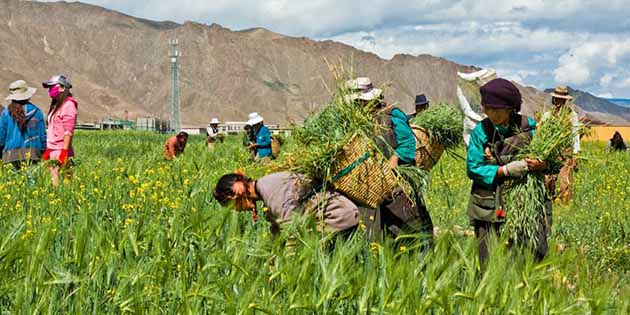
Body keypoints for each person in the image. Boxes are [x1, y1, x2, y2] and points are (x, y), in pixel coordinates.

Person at [466, 78, 551, 266]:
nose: (491, 114)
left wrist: (542, 164)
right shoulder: (481, 131)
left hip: (523, 203)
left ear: (510, 108)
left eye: (496, 109)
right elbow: (473, 168)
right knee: (488, 259)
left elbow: (552, 160)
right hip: (488, 204)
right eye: (487, 109)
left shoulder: (529, 128)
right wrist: (505, 170)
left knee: (528, 256)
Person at [347, 77, 433, 250]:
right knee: (372, 230)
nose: (358, 105)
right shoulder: (353, 120)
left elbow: (407, 143)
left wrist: (393, 161)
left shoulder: (391, 114)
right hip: (369, 185)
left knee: (407, 226)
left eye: (360, 102)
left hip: (396, 181)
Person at [213, 171, 359, 234]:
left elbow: (291, 232)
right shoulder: (266, 193)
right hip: (335, 218)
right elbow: (278, 232)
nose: (238, 210)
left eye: (233, 206)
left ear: (237, 193)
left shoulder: (271, 191)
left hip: (336, 217)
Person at [542, 86, 581, 205]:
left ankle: (565, 203)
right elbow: (542, 133)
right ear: (554, 100)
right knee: (549, 178)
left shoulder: (572, 115)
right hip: (551, 151)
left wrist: (576, 153)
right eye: (557, 100)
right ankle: (549, 199)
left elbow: (575, 134)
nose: (559, 103)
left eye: (562, 100)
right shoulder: (547, 116)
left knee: (565, 178)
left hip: (566, 152)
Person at [0, 80, 46, 168]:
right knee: (31, 181)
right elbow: (42, 135)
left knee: (15, 180)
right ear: (27, 95)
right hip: (33, 153)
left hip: (11, 154)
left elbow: (1, 136)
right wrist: (43, 150)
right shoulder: (37, 111)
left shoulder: (6, 113)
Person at [41, 75, 78, 185]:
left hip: (61, 150)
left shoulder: (69, 105)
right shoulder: (56, 105)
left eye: (52, 86)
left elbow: (68, 132)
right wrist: (48, 149)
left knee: (60, 185)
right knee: (51, 184)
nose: (50, 90)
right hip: (52, 150)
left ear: (62, 88)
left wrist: (64, 153)